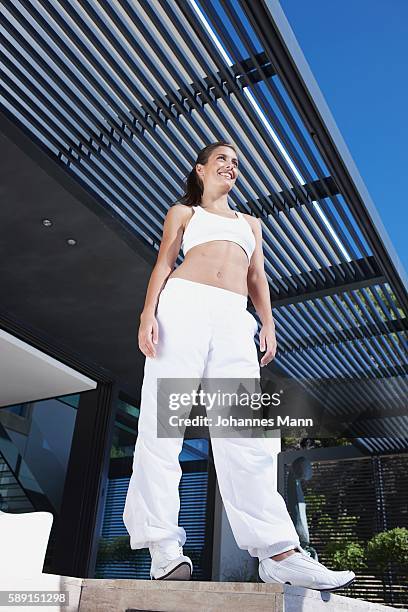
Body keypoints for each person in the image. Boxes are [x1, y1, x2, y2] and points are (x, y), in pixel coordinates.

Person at [122, 141, 355, 590]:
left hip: (234, 318)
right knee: (162, 424)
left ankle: (279, 553)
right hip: (183, 307)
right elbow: (163, 263)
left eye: (235, 162)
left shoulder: (251, 223)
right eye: (222, 159)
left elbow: (256, 277)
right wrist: (147, 314)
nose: (231, 166)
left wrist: (267, 323)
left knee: (246, 434)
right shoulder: (184, 214)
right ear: (201, 169)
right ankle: (163, 547)